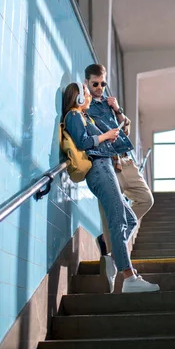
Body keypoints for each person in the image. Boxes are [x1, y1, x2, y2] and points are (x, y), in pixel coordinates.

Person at [62, 81, 159, 293]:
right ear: (78, 98)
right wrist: (106, 136)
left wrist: (114, 133)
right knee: (117, 219)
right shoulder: (74, 116)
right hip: (99, 170)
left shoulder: (84, 116)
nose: (89, 96)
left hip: (105, 166)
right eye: (86, 93)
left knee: (130, 218)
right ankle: (129, 278)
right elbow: (84, 142)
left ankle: (115, 256)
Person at [84, 64, 154, 259]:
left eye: (102, 83)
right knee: (110, 217)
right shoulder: (85, 106)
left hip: (125, 162)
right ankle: (113, 250)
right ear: (87, 82)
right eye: (95, 83)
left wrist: (117, 109)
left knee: (147, 199)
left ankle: (108, 240)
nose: (99, 87)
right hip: (105, 166)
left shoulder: (109, 104)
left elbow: (125, 130)